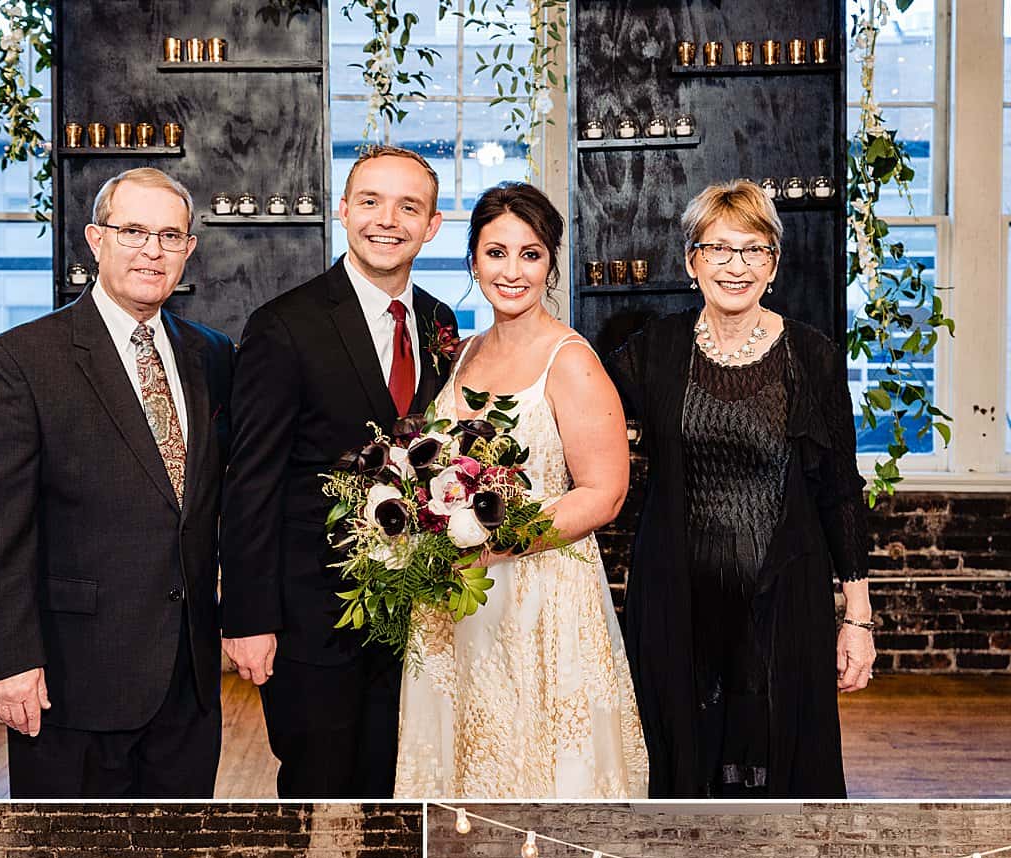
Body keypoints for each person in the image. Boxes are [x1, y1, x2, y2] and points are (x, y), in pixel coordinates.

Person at [0, 167, 232, 797]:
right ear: (95, 239)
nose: (152, 250)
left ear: (189, 249)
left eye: (170, 235)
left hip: (188, 681)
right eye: (132, 231)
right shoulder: (19, 361)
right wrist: (8, 662)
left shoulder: (214, 356)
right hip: (69, 680)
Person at [608, 179, 875, 797]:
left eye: (754, 250)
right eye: (719, 249)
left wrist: (856, 618)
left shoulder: (812, 355)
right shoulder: (653, 351)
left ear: (775, 264)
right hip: (677, 602)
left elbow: (840, 489)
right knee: (678, 765)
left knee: (778, 764)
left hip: (782, 605)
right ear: (691, 261)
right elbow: (580, 423)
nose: (736, 266)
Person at [221, 145, 460, 797]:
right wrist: (247, 619)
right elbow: (251, 482)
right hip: (310, 623)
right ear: (342, 211)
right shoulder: (283, 327)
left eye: (409, 206)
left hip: (414, 619)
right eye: (371, 201)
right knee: (321, 790)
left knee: (397, 785)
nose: (388, 220)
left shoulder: (440, 322)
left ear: (433, 224)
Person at [394, 183, 646, 798]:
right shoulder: (463, 353)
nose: (512, 271)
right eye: (496, 253)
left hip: (541, 597)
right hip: (456, 598)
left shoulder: (571, 360)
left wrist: (497, 544)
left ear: (551, 264)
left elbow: (605, 493)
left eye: (530, 255)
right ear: (473, 260)